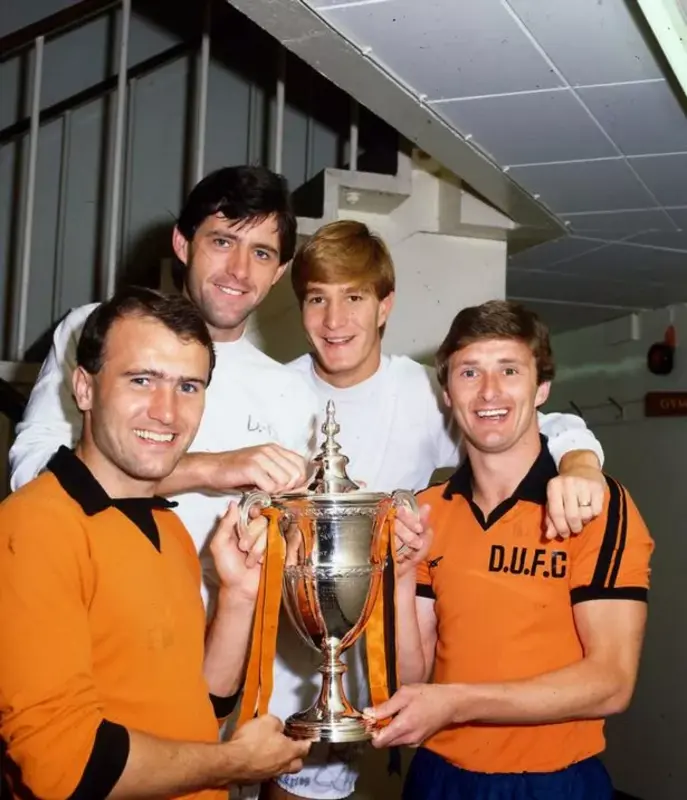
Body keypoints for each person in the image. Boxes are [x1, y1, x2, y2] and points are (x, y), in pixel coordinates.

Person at [262, 221, 610, 800]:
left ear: (385, 306)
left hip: (393, 666)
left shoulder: (426, 391)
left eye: (354, 297)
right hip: (288, 661)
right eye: (317, 299)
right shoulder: (270, 394)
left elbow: (529, 422)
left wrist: (579, 460)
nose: (334, 320)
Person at [0, 287, 310, 799]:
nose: (166, 412)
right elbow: (61, 769)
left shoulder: (164, 525)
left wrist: (237, 596)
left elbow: (200, 704)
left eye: (189, 386)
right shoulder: (32, 530)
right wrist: (234, 761)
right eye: (142, 380)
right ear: (84, 388)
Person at [367, 300, 654, 800]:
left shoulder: (595, 506)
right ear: (447, 393)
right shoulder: (428, 510)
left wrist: (456, 704)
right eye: (469, 372)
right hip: (439, 776)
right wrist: (403, 576)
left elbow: (612, 681)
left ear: (541, 388)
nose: (489, 392)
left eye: (509, 370)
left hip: (554, 781)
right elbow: (411, 678)